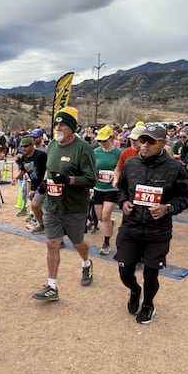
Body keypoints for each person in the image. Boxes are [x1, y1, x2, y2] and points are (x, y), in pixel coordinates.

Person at [115, 124, 188, 324]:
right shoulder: (130, 164)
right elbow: (121, 189)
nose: (145, 145)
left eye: (151, 141)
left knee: (151, 273)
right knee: (124, 268)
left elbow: (184, 198)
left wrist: (168, 208)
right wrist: (123, 202)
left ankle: (148, 303)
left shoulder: (175, 168)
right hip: (131, 227)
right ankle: (134, 290)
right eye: (142, 140)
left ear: (163, 143)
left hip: (157, 231)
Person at [32, 107, 98, 301]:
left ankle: (86, 263)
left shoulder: (83, 148)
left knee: (77, 243)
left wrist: (68, 180)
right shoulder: (52, 145)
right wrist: (46, 183)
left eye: (62, 124)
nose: (58, 127)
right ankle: (52, 287)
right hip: (53, 205)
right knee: (52, 243)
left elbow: (91, 179)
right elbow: (50, 171)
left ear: (72, 127)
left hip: (74, 207)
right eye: (56, 124)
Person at [91, 126, 121, 255]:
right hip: (98, 187)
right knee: (100, 218)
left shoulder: (118, 153)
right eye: (100, 141)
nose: (102, 143)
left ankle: (106, 243)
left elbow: (121, 169)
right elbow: (92, 169)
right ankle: (109, 222)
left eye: (104, 140)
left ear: (112, 138)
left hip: (111, 188)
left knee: (105, 215)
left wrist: (116, 177)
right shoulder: (95, 152)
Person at [14, 135, 48, 231]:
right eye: (22, 146)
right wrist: (15, 178)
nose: (24, 148)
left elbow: (49, 167)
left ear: (32, 145)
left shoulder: (41, 155)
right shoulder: (24, 157)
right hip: (33, 184)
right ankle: (41, 223)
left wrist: (45, 180)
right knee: (37, 206)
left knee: (35, 205)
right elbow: (23, 170)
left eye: (26, 146)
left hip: (43, 185)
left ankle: (41, 225)